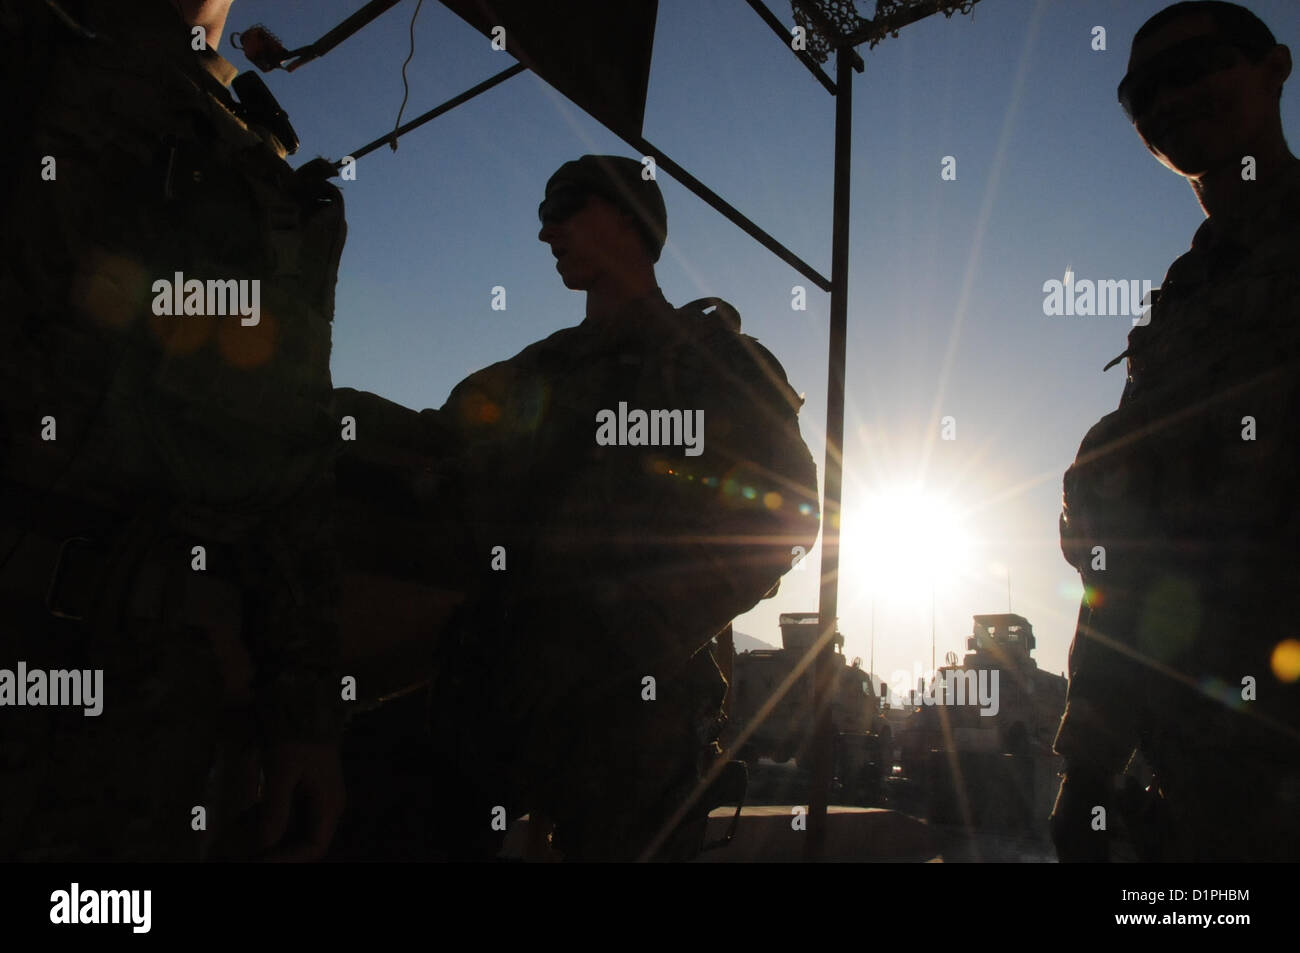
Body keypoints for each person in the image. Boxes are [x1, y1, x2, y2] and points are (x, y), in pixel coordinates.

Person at [0, 0, 346, 860]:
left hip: (150, 680)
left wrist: (302, 711)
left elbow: (290, 439)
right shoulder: (37, 49)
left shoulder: (265, 150)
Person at [424, 155, 821, 860]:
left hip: (637, 723)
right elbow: (437, 457)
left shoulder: (713, 361)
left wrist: (618, 634)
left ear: (632, 221)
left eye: (567, 206)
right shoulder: (538, 369)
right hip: (498, 696)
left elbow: (784, 515)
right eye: (544, 213)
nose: (547, 230)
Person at [1052, 1, 1300, 862]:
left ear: (1274, 68)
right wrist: (1086, 765)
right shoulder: (1181, 303)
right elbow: (1124, 549)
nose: (1172, 98)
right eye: (1143, 91)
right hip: (1200, 781)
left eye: (1200, 66)